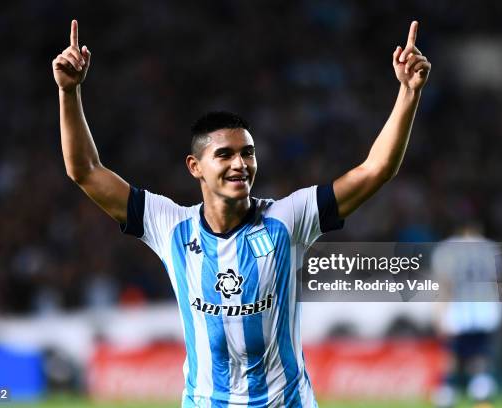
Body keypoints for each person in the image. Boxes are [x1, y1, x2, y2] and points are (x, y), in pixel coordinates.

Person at [52, 19, 431, 407]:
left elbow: (375, 169)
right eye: (225, 154)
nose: (240, 164)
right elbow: (85, 171)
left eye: (247, 153)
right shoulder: (170, 227)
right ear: (195, 166)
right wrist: (69, 92)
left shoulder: (289, 219)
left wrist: (408, 93)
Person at [431, 223, 502, 408]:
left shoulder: (447, 248)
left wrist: (440, 313)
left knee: (451, 355)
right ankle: (482, 397)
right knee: (480, 355)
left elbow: (444, 284)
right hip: (485, 310)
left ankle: (446, 395)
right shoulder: (490, 247)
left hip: (458, 310)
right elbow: (501, 283)